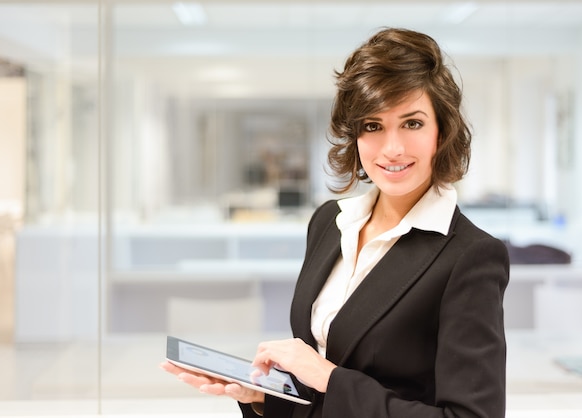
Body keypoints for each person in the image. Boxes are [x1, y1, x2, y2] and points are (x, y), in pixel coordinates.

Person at [161, 27, 509, 418]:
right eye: (373, 126)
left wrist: (329, 377)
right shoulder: (331, 222)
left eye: (412, 123)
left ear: (441, 132)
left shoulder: (470, 255)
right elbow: (322, 390)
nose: (392, 148)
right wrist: (263, 395)